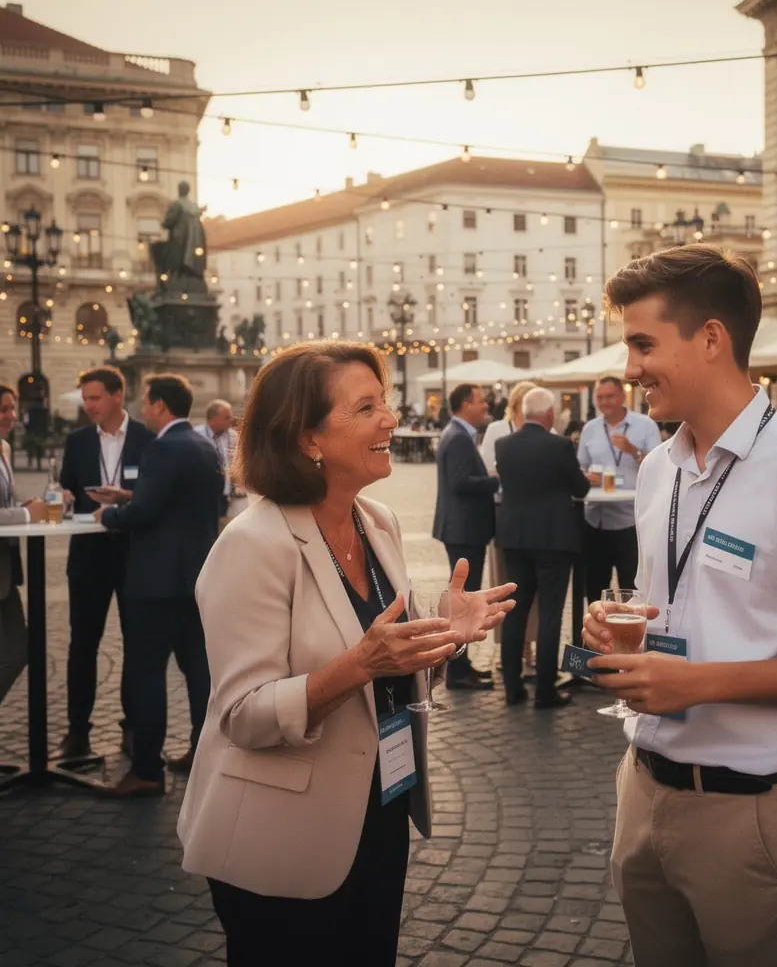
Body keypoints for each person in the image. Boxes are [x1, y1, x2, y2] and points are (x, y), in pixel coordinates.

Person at [582, 244, 777, 967]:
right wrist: (623, 622)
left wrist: (700, 684)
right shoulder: (659, 466)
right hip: (644, 788)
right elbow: (666, 598)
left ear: (712, 339)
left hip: (755, 813)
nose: (628, 369)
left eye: (642, 343)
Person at [177, 341, 514, 967]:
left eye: (384, 402)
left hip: (378, 809)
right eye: (366, 408)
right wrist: (359, 664)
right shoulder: (253, 544)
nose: (390, 419)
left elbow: (391, 661)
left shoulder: (376, 520)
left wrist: (444, 636)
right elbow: (242, 715)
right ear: (308, 438)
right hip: (281, 834)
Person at [97, 374, 223, 797]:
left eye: (146, 402)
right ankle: (203, 750)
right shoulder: (204, 444)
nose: (142, 408)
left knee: (145, 674)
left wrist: (111, 515)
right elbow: (198, 505)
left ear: (161, 406)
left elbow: (146, 513)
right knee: (198, 672)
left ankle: (148, 769)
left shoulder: (163, 447)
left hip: (155, 582)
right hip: (196, 579)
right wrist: (130, 497)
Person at [56, 366, 153, 759]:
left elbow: (152, 494)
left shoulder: (148, 440)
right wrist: (62, 494)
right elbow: (66, 484)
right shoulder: (76, 441)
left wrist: (126, 497)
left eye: (95, 397)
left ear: (117, 395)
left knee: (137, 644)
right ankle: (77, 732)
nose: (88, 404)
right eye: (85, 397)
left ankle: (133, 729)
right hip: (88, 555)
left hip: (133, 552)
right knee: (82, 644)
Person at [495, 387, 590, 708]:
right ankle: (545, 692)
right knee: (550, 614)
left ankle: (512, 688)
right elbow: (580, 487)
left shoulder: (504, 445)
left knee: (516, 612)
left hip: (515, 538)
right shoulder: (560, 445)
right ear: (549, 415)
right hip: (553, 539)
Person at [431, 383, 497, 690]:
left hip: (461, 528)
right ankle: (457, 671)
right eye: (481, 401)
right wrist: (495, 480)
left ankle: (462, 665)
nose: (485, 406)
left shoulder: (456, 434)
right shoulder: (458, 437)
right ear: (465, 404)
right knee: (463, 602)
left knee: (464, 599)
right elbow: (461, 482)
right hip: (464, 529)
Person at [576, 376, 661, 605]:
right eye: (600, 397)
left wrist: (633, 451)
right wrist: (585, 476)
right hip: (596, 520)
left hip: (632, 522)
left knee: (633, 592)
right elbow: (580, 466)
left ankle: (630, 637)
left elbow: (660, 467)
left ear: (622, 396)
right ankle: (595, 640)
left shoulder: (645, 425)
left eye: (610, 396)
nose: (604, 402)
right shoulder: (590, 428)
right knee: (595, 592)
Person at [480, 379, 539, 671]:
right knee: (505, 587)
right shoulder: (497, 430)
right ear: (517, 403)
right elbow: (486, 471)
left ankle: (529, 646)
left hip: (535, 516)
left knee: (532, 592)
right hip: (503, 514)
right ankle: (510, 651)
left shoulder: (544, 429)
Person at [0, 385, 45, 706]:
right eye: (4, 410)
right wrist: (27, 513)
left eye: (12, 408)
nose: (13, 416)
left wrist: (22, 505)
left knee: (18, 651)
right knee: (14, 652)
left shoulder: (3, 448)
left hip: (5, 574)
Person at [195, 398, 245, 529]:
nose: (232, 420)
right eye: (227, 417)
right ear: (213, 418)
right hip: (202, 495)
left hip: (226, 496)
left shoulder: (233, 437)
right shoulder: (197, 436)